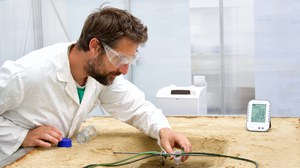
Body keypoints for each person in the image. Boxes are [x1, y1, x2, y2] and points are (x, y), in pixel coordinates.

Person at [0, 7, 192, 161]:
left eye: (129, 62)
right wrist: (20, 136)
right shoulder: (28, 73)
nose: (124, 70)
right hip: (9, 159)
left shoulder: (99, 76)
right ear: (94, 46)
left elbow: (136, 107)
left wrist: (163, 131)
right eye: (120, 59)